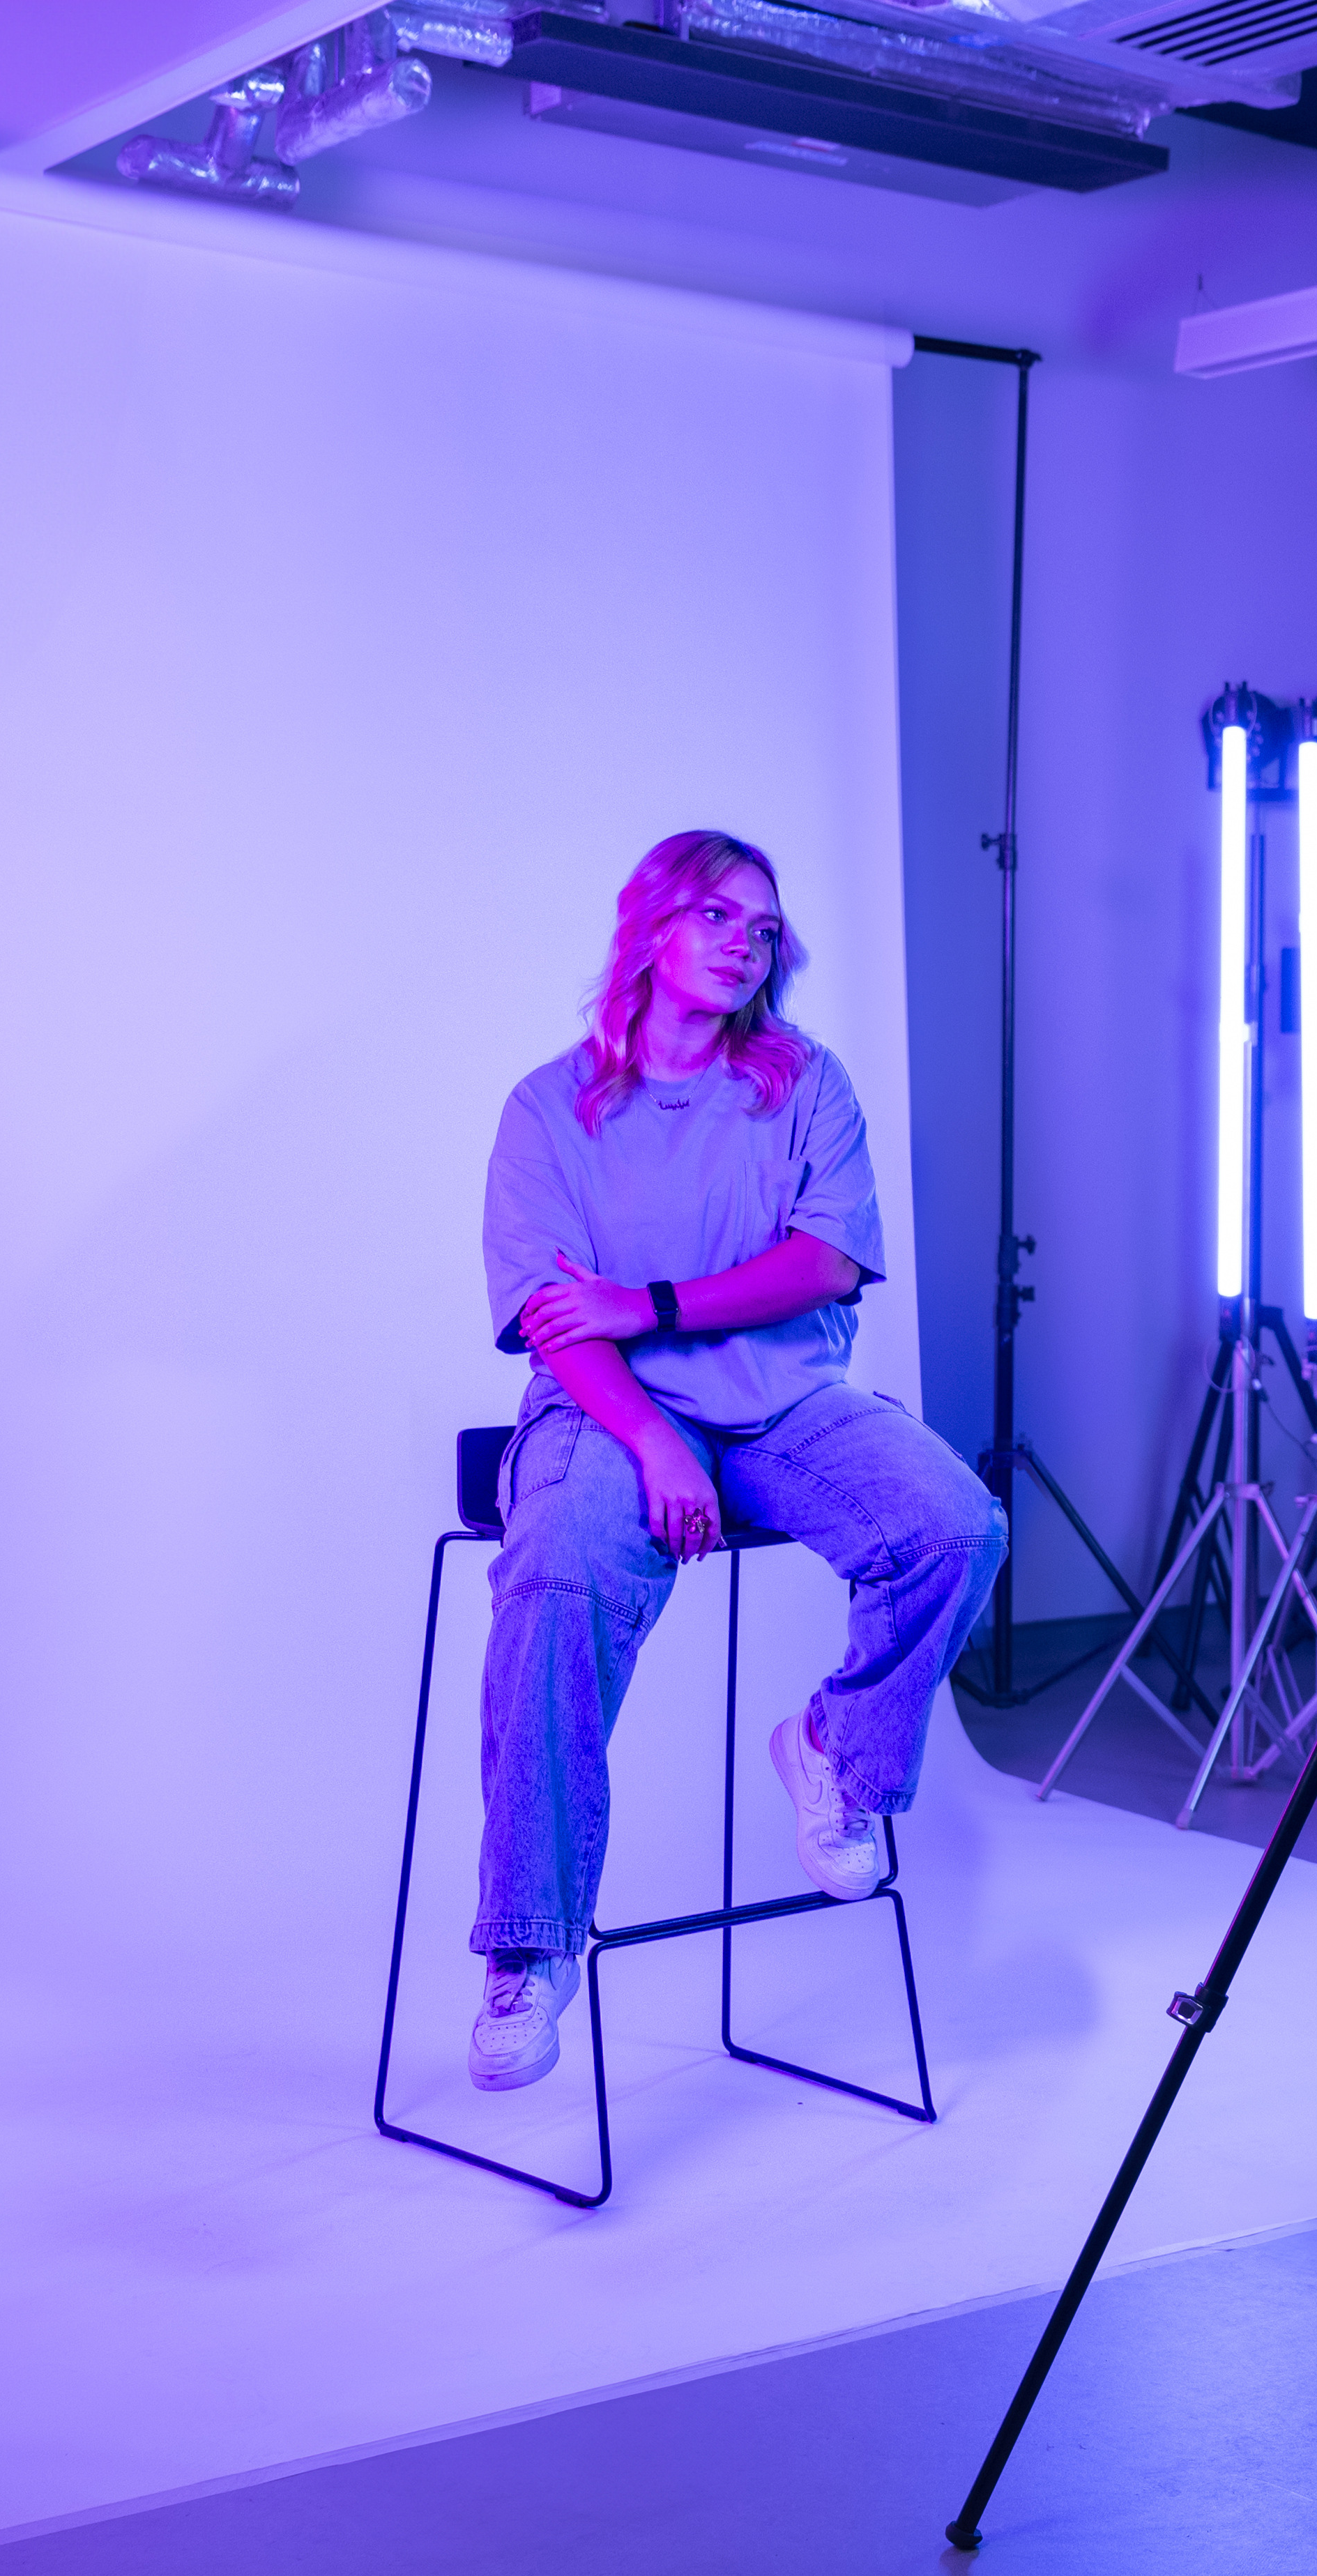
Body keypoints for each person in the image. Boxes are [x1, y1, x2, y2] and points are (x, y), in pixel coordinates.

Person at [466, 830, 1005, 2094]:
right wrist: (653, 1437)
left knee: (953, 1526)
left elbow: (822, 1263)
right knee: (554, 1582)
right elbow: (556, 1318)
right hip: (608, 1417)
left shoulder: (805, 1084)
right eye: (715, 913)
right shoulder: (549, 1108)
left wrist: (645, 1303)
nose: (743, 940)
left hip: (782, 1406)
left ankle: (835, 1751)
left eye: (763, 927)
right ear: (649, 926)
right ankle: (527, 1949)